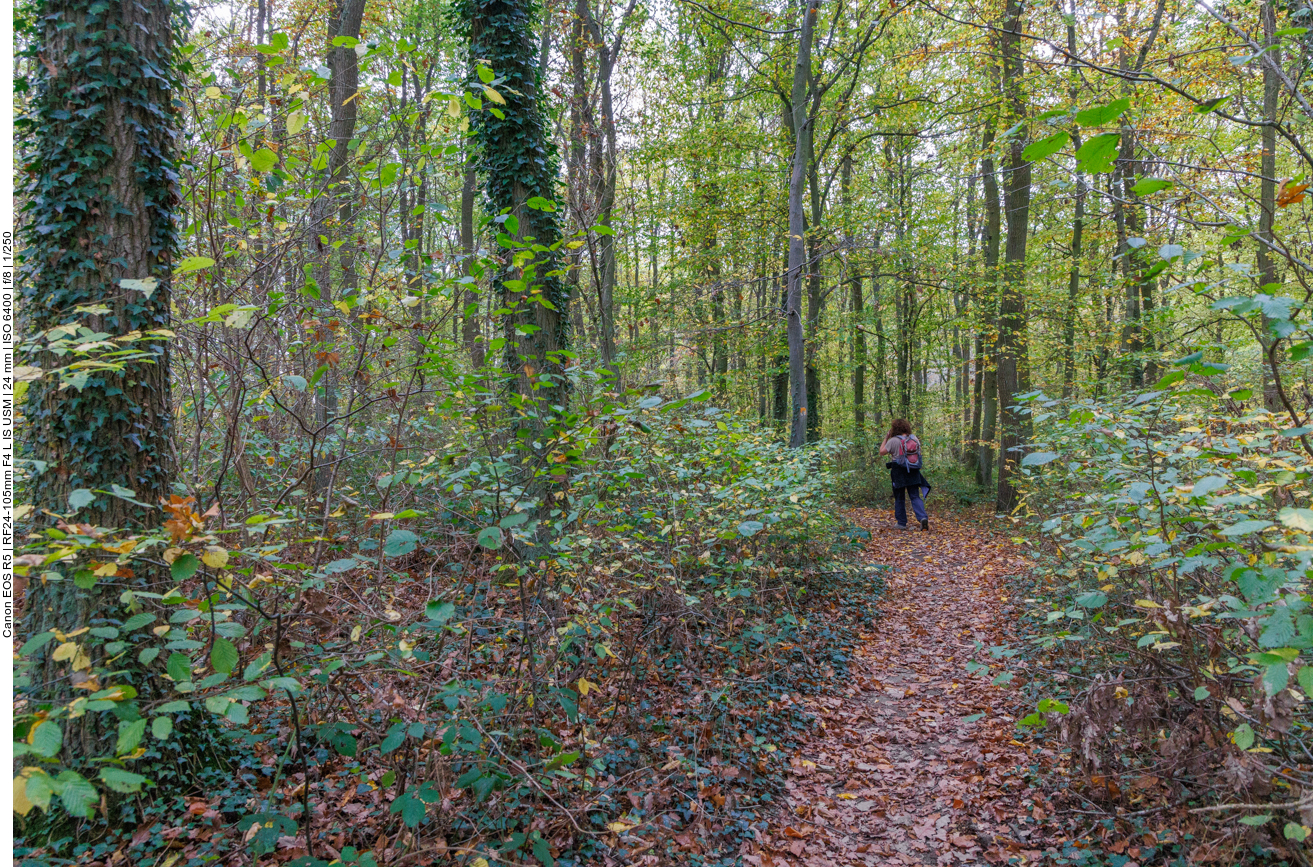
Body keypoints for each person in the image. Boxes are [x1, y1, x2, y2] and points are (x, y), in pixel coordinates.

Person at [879, 418, 931, 531]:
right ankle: (922, 518)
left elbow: (881, 452)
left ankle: (901, 523)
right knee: (915, 496)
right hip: (913, 470)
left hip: (898, 471)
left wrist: (886, 438)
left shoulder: (893, 440)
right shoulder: (914, 438)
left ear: (894, 429)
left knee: (899, 497)